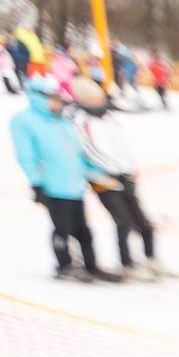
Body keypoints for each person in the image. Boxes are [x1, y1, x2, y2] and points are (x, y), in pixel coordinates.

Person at [10, 76, 120, 282]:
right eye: (52, 97)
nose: (57, 101)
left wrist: (98, 173)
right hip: (53, 186)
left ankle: (91, 265)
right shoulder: (24, 121)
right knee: (62, 228)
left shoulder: (63, 121)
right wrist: (37, 183)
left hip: (74, 185)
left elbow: (77, 153)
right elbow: (27, 156)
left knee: (84, 230)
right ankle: (65, 265)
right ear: (38, 97)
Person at [69, 77, 166, 280]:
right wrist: (111, 172)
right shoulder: (80, 120)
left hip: (124, 176)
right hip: (103, 180)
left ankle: (151, 258)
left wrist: (129, 168)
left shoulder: (109, 118)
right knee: (124, 221)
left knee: (143, 221)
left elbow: (121, 146)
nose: (100, 102)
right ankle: (126, 263)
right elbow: (89, 151)